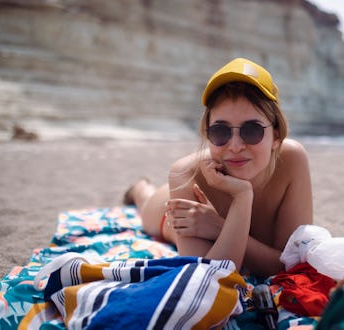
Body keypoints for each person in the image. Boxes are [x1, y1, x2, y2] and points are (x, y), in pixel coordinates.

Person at [125, 58, 313, 277]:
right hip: (161, 213)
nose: (235, 146)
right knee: (146, 200)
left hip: (209, 217)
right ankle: (139, 188)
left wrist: (219, 226)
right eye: (220, 131)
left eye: (251, 130)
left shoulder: (292, 159)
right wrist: (243, 199)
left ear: (276, 136)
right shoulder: (185, 174)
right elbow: (210, 276)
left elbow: (289, 264)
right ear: (207, 134)